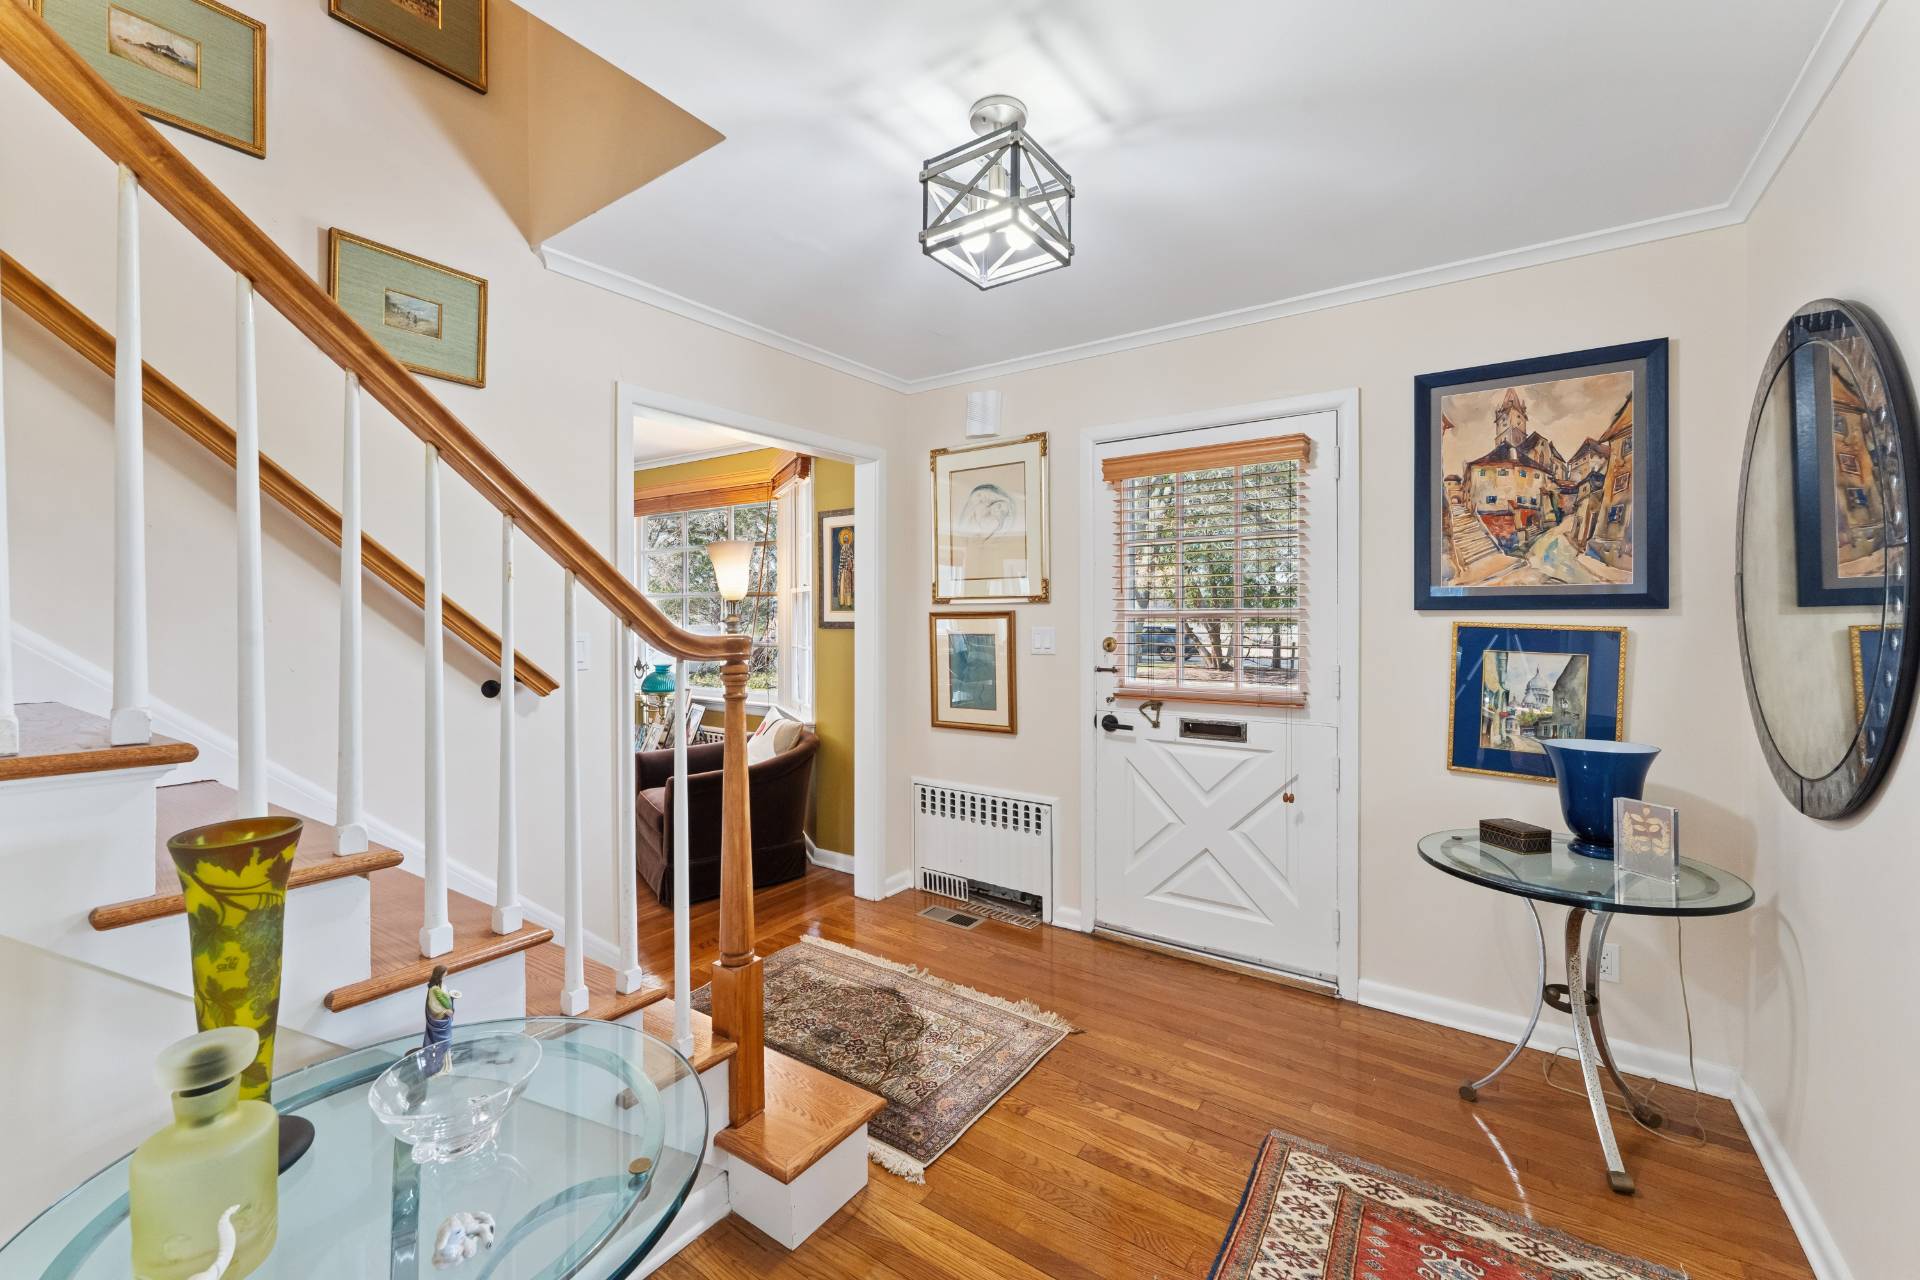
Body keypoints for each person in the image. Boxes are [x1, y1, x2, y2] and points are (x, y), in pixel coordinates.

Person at [421, 964, 458, 1077]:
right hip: (440, 1021)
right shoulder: (433, 990)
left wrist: (451, 998)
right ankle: (438, 1067)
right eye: (444, 974)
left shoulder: (442, 986)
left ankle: (447, 1065)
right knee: (443, 1043)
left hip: (445, 1021)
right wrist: (445, 1012)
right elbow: (433, 1006)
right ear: (439, 974)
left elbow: (445, 999)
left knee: (447, 1043)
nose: (445, 976)